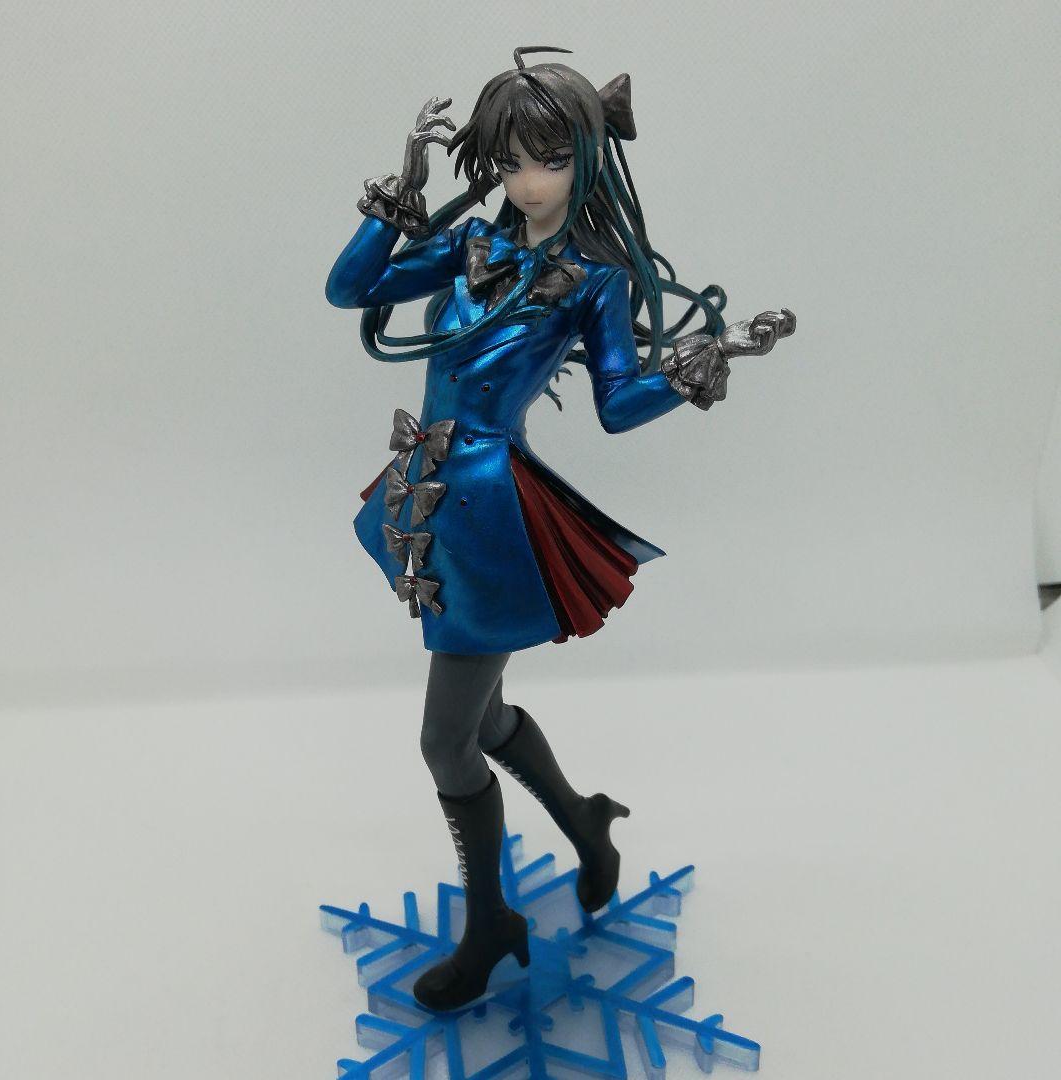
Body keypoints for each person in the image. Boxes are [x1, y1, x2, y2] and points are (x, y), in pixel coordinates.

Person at [325, 46, 795, 1011]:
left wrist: (699, 364)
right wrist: (401, 193)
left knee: (446, 743)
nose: (526, 181)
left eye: (548, 158)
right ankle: (584, 822)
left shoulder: (593, 278)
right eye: (508, 161)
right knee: (485, 721)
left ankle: (491, 923)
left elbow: (618, 405)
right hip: (426, 491)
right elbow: (349, 290)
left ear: (586, 157)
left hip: (490, 514)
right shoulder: (471, 245)